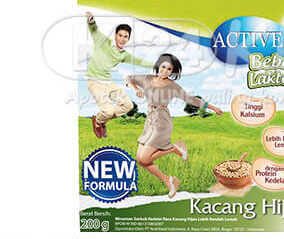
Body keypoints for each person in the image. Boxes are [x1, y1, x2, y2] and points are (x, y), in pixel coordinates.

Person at [126, 53, 222, 198]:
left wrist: (213, 108)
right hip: (149, 120)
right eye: (163, 67)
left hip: (162, 122)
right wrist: (135, 89)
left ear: (173, 72)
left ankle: (173, 148)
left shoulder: (173, 86)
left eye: (169, 69)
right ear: (158, 65)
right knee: (140, 160)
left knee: (145, 159)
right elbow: (128, 78)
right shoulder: (147, 78)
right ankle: (169, 181)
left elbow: (191, 99)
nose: (165, 71)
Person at [84, 11, 152, 138]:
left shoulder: (123, 55)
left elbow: (139, 61)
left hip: (108, 83)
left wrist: (158, 66)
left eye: (125, 37)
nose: (122, 39)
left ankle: (102, 119)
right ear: (115, 35)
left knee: (128, 105)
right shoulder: (103, 41)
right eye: (120, 35)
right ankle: (98, 122)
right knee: (108, 111)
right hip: (94, 82)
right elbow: (94, 30)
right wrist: (91, 21)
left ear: (128, 39)